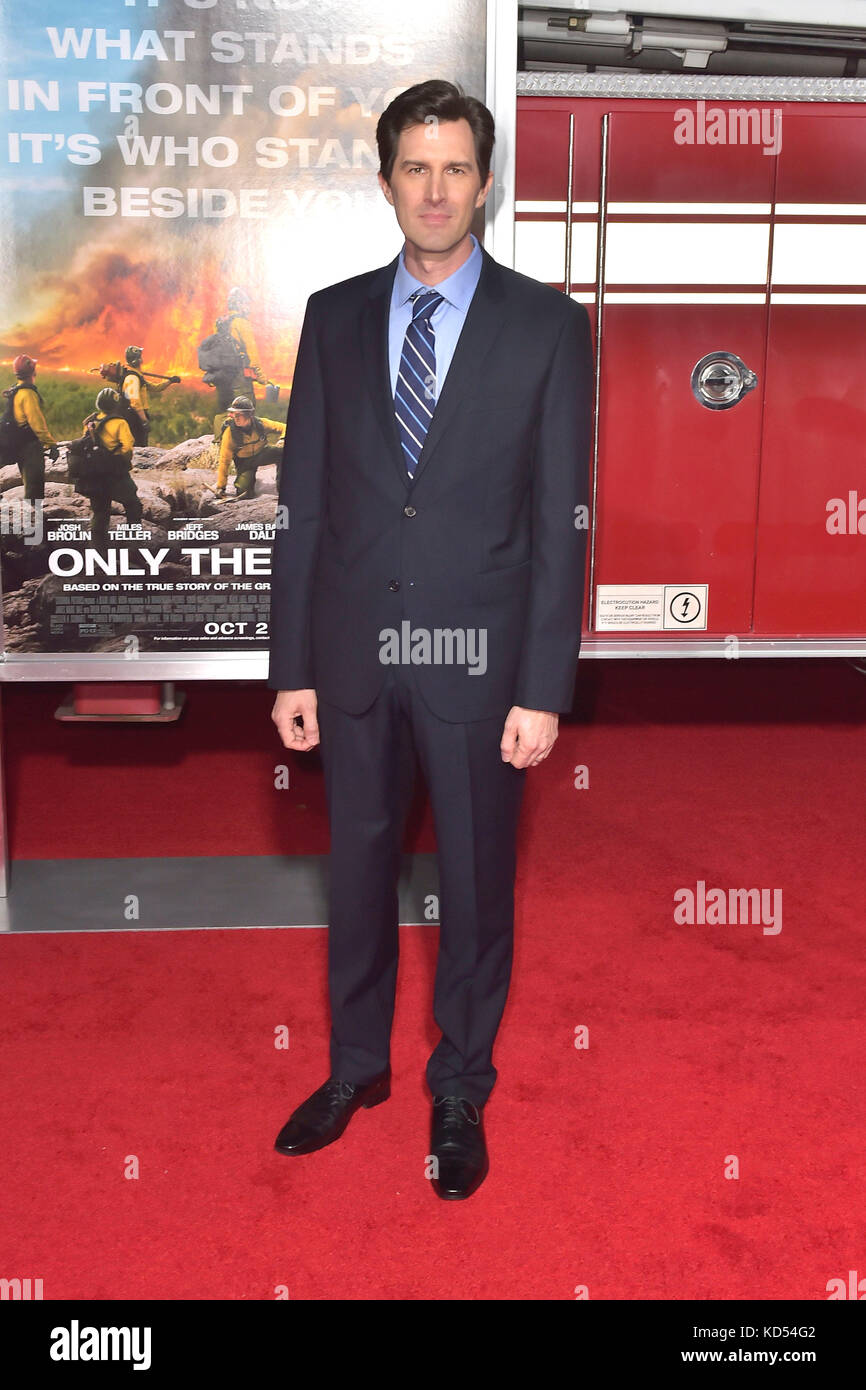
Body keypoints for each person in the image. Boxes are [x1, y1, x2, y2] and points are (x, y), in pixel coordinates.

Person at [268, 80, 594, 1201]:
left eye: (455, 167)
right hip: (354, 656)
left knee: (472, 881)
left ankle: (458, 1083)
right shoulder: (332, 314)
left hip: (479, 665)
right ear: (385, 180)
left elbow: (560, 520)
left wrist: (543, 685)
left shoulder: (549, 327)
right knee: (355, 873)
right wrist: (291, 665)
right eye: (415, 166)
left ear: (484, 183)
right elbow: (304, 505)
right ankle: (354, 1068)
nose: (435, 188)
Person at [77, 387, 143, 548]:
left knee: (100, 513)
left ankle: (98, 550)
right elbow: (127, 448)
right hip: (115, 473)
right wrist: (122, 462)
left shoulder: (90, 422)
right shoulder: (119, 422)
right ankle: (134, 546)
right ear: (115, 405)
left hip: (94, 475)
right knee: (133, 505)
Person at [2, 354, 58, 500]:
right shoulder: (28, 394)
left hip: (18, 442)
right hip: (29, 446)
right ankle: (33, 518)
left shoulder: (16, 390)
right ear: (33, 370)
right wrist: (51, 444)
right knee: (35, 487)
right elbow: (37, 424)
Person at [215, 396, 285, 500]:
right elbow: (224, 461)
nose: (236, 418)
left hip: (261, 454)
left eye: (239, 414)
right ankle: (247, 483)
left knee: (283, 453)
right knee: (244, 493)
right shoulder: (230, 433)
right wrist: (221, 487)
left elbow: (283, 427)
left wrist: (283, 439)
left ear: (249, 415)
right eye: (234, 414)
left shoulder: (260, 424)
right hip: (245, 463)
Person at [213, 289, 270, 416]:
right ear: (238, 303)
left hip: (222, 378)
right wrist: (261, 377)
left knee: (226, 415)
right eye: (246, 303)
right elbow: (252, 352)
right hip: (239, 378)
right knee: (245, 414)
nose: (248, 307)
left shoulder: (220, 323)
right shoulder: (242, 323)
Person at [119, 346, 179, 446]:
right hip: (135, 417)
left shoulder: (137, 376)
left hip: (137, 415)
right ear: (137, 360)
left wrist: (170, 381)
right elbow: (135, 402)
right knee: (138, 445)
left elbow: (155, 387)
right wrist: (144, 420)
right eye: (140, 357)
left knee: (142, 444)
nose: (142, 359)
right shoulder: (132, 378)